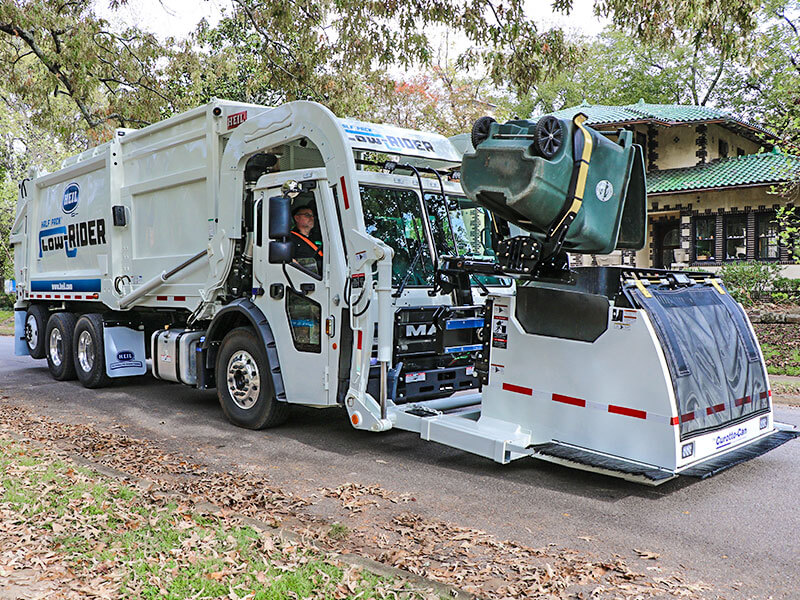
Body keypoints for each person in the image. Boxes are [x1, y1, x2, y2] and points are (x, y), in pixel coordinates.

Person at [290, 204, 323, 275]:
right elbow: (289, 260)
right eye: (307, 215)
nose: (311, 218)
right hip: (306, 278)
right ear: (297, 218)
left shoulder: (320, 237)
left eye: (312, 216)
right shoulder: (290, 238)